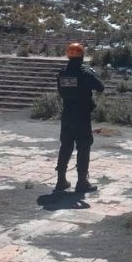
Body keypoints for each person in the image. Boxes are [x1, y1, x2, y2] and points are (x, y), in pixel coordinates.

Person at [55, 42, 105, 193]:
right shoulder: (85, 73)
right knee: (83, 147)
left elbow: (60, 91)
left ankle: (61, 180)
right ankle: (82, 182)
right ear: (82, 56)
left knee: (66, 146)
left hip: (67, 114)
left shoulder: (62, 73)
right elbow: (101, 87)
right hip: (81, 115)